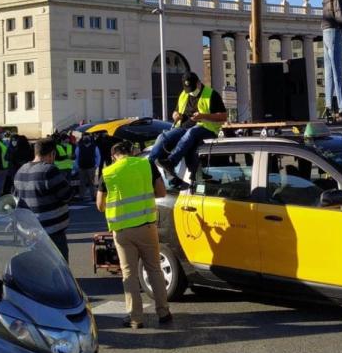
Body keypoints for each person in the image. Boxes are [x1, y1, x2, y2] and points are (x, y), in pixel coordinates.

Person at [98, 141, 171, 329]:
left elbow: (100, 205)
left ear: (114, 156)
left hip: (122, 230)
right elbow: (161, 192)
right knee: (154, 268)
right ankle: (163, 312)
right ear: (132, 152)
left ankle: (136, 318)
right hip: (147, 226)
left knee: (129, 274)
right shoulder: (146, 164)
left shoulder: (108, 173)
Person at [148, 72, 228, 192]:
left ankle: (172, 161)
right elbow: (175, 111)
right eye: (188, 89)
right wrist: (175, 115)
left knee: (191, 133)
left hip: (206, 128)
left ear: (198, 83)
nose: (191, 92)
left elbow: (223, 116)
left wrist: (203, 116)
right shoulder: (184, 94)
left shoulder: (212, 94)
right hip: (183, 127)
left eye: (193, 89)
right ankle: (151, 165)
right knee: (163, 137)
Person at [13, 138, 72, 261]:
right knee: (59, 265)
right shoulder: (49, 170)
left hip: (30, 229)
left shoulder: (21, 170)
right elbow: (67, 195)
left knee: (38, 264)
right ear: (52, 154)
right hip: (51, 229)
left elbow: (15, 198)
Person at [75, 134, 101, 201]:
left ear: (90, 138)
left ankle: (93, 196)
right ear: (82, 138)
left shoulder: (94, 147)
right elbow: (77, 157)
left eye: (87, 137)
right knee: (82, 183)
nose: (86, 138)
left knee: (92, 183)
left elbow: (98, 156)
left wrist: (96, 165)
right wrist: (77, 166)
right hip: (81, 167)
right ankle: (81, 196)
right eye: (85, 137)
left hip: (91, 167)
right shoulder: (79, 147)